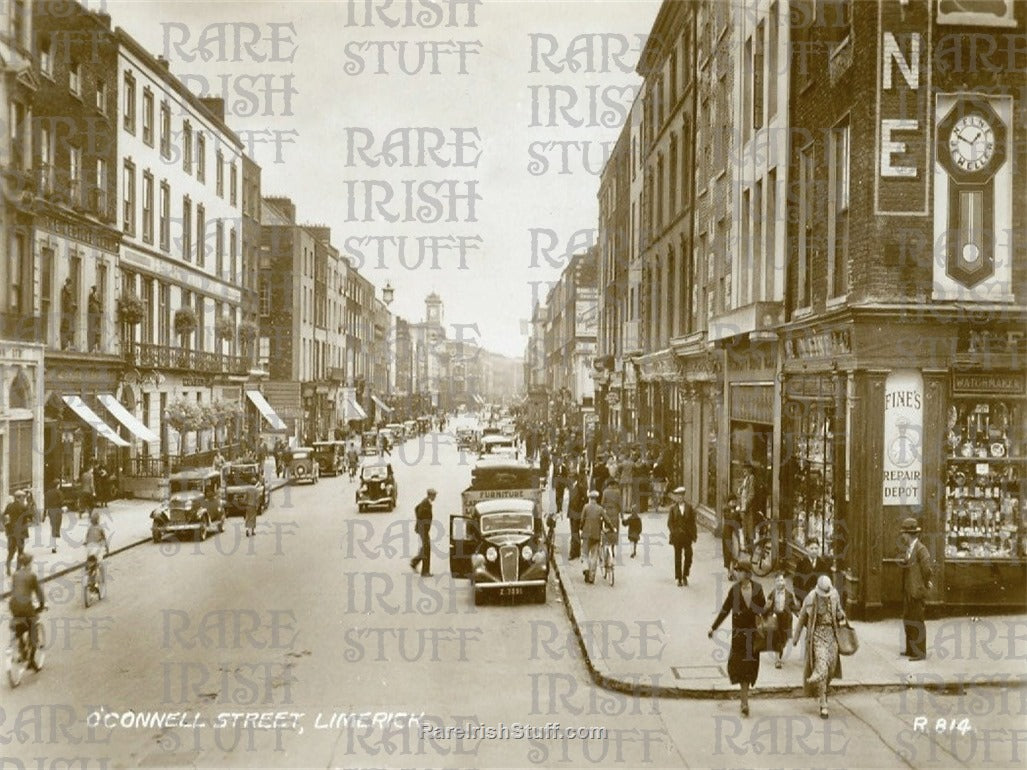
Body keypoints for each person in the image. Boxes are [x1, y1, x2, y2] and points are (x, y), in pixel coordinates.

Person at [708, 559, 766, 716]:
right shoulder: (734, 591)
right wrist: (714, 627)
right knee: (739, 667)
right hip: (739, 635)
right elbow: (725, 610)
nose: (736, 573)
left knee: (749, 668)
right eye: (736, 570)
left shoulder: (758, 589)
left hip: (753, 635)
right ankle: (744, 702)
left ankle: (744, 701)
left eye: (739, 571)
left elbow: (763, 610)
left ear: (747, 573)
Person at [792, 574, 846, 719]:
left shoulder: (834, 595)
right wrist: (796, 637)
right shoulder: (811, 597)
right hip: (817, 635)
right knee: (822, 664)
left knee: (831, 667)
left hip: (832, 634)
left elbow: (839, 611)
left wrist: (841, 615)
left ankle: (823, 687)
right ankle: (823, 703)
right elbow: (802, 616)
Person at [900, 517, 933, 661]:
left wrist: (926, 583)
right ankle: (910, 649)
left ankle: (919, 652)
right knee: (908, 619)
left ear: (910, 534)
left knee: (917, 620)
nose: (902, 536)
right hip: (908, 590)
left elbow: (927, 570)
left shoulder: (921, 549)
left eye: (904, 534)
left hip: (916, 590)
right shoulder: (910, 548)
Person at [8, 553, 46, 670]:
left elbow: (14, 591)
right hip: (26, 606)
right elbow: (39, 592)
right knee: (33, 628)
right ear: (29, 564)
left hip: (13, 606)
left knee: (19, 626)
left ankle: (22, 648)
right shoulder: (32, 575)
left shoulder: (15, 575)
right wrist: (42, 604)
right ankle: (32, 661)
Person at [765, 570, 800, 669]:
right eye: (778, 581)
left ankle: (779, 652)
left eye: (782, 580)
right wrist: (767, 614)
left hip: (786, 619)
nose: (780, 582)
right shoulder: (772, 594)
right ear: (775, 583)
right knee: (777, 639)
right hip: (776, 619)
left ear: (785, 581)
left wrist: (799, 612)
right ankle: (777, 660)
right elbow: (767, 606)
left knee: (784, 639)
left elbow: (793, 607)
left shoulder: (789, 594)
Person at [667, 486, 697, 586]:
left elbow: (693, 522)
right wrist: (673, 532)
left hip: (687, 536)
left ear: (684, 496)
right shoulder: (673, 509)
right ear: (676, 497)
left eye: (681, 496)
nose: (679, 498)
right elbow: (670, 523)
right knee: (678, 557)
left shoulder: (689, 508)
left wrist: (694, 535)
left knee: (689, 556)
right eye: (677, 496)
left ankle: (685, 575)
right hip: (677, 537)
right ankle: (679, 578)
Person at [793, 538, 831, 604]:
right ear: (807, 548)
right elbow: (796, 582)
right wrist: (799, 598)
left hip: (819, 598)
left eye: (816, 548)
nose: (814, 551)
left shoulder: (822, 563)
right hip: (804, 597)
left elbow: (827, 580)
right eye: (812, 548)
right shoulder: (801, 562)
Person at [410, 488, 437, 577]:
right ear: (430, 495)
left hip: (423, 529)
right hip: (423, 529)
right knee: (427, 548)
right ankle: (425, 572)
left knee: (425, 548)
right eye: (434, 495)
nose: (435, 497)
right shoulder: (426, 503)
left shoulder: (426, 502)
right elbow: (420, 513)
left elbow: (416, 508)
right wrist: (421, 524)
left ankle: (415, 562)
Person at [5, 490, 32, 575]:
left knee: (11, 551)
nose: (24, 498)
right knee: (20, 551)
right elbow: (30, 516)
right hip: (21, 533)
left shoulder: (9, 506)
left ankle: (8, 567)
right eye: (23, 497)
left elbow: (5, 516)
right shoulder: (23, 506)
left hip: (11, 533)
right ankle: (18, 569)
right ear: (18, 498)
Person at [580, 490, 604, 584]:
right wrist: (612, 527)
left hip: (586, 535)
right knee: (594, 556)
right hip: (596, 536)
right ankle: (591, 577)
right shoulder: (600, 509)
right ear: (596, 499)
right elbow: (606, 519)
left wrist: (581, 528)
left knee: (584, 554)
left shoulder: (585, 507)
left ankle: (586, 568)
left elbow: (582, 520)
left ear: (590, 498)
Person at [84, 511, 110, 582]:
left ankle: (87, 572)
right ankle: (102, 578)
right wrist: (107, 549)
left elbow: (87, 537)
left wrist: (86, 543)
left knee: (89, 559)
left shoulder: (90, 528)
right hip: (96, 547)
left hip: (89, 547)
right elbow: (104, 539)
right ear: (98, 520)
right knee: (100, 561)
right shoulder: (100, 528)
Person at [600, 477, 622, 559]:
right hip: (615, 513)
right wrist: (622, 515)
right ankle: (612, 549)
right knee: (614, 531)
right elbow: (620, 504)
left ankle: (607, 548)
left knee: (607, 530)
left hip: (608, 513)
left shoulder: (605, 492)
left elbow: (602, 503)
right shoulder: (617, 492)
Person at [567, 472, 587, 561]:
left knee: (574, 533)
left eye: (570, 478)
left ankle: (573, 553)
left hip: (577, 514)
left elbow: (585, 499)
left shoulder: (580, 487)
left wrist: (580, 508)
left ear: (575, 478)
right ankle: (576, 552)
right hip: (571, 513)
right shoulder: (571, 487)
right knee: (574, 533)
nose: (569, 479)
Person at [722, 494, 743, 577]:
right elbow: (730, 518)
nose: (734, 503)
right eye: (732, 501)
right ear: (729, 502)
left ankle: (732, 569)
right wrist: (736, 512)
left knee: (735, 551)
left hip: (735, 534)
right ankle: (729, 572)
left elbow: (740, 521)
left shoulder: (735, 510)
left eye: (735, 501)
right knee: (728, 553)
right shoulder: (726, 509)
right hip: (727, 534)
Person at [44, 479, 65, 554]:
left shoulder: (48, 492)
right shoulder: (59, 492)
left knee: (53, 527)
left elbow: (46, 503)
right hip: (57, 511)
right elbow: (61, 502)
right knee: (56, 527)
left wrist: (45, 513)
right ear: (57, 485)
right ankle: (54, 545)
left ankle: (53, 544)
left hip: (50, 511)